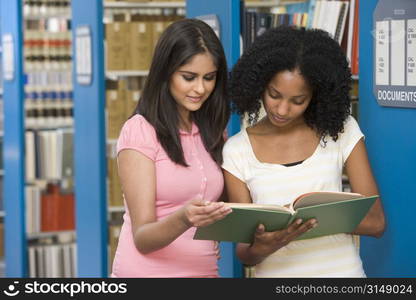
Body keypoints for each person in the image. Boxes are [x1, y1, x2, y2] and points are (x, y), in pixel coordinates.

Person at [223, 26, 386, 277]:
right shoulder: (237, 150)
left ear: (316, 96)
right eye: (274, 95)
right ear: (260, 84)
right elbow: (245, 253)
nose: (282, 109)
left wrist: (308, 220)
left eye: (298, 100)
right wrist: (269, 243)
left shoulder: (341, 130)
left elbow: (376, 222)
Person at [111, 18, 231, 278]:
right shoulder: (140, 131)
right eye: (189, 77)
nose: (200, 88)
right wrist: (185, 218)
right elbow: (142, 237)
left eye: (209, 78)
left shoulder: (214, 132)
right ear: (166, 71)